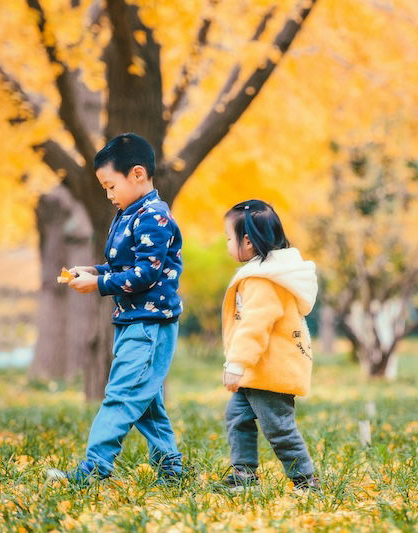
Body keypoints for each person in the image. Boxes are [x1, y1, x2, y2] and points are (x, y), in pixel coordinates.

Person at [46, 133, 186, 486]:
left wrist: (98, 285)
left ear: (137, 174)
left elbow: (146, 273)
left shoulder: (153, 215)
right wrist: (94, 271)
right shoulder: (129, 213)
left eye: (111, 186)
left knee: (121, 396)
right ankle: (171, 470)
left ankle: (93, 470)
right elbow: (125, 265)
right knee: (148, 401)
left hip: (150, 323)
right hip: (133, 320)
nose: (108, 196)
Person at [219, 199, 320, 492]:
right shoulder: (263, 272)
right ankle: (244, 473)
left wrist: (237, 363)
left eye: (229, 238)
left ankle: (305, 479)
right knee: (237, 418)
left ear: (247, 241)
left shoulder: (263, 281)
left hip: (270, 370)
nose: (227, 244)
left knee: (278, 428)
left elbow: (254, 326)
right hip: (258, 370)